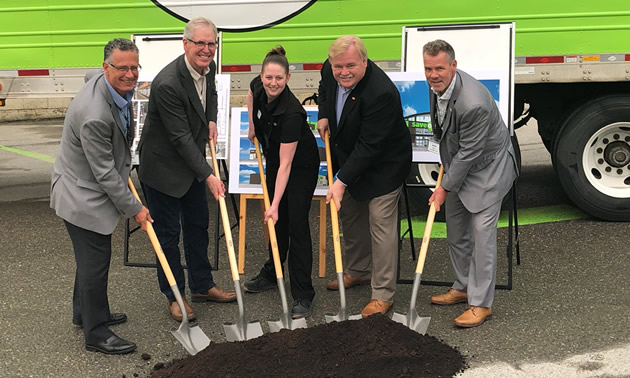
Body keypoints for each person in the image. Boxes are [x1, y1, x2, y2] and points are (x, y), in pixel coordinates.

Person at [50, 38, 153, 355]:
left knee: (89, 261)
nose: (130, 74)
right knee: (95, 262)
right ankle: (96, 333)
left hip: (83, 185)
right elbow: (105, 174)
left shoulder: (102, 82)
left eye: (134, 67)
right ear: (106, 67)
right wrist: (136, 209)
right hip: (81, 196)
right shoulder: (95, 115)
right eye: (122, 68)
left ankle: (86, 313)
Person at [138, 17, 236, 322]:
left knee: (198, 227)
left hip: (191, 162)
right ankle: (175, 296)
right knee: (168, 236)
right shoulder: (168, 83)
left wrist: (210, 120)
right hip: (164, 169)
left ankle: (202, 285)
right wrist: (208, 175)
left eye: (211, 44)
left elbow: (211, 94)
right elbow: (179, 138)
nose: (207, 50)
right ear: (185, 44)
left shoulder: (209, 66)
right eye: (200, 44)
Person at [423, 40, 519, 327]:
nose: (433, 74)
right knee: (455, 229)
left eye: (439, 68)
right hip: (460, 165)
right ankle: (463, 286)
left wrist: (442, 189)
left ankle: (481, 304)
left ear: (453, 65)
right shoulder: (437, 86)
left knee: (481, 236)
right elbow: (445, 131)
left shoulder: (473, 102)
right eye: (428, 68)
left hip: (488, 169)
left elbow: (470, 153)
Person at [316, 35, 412, 318]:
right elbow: (324, 89)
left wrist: (340, 181)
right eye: (338, 66)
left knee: (380, 225)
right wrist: (323, 114)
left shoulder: (381, 92)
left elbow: (370, 146)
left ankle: (383, 294)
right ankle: (357, 271)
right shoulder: (329, 68)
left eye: (350, 66)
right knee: (351, 214)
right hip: (350, 157)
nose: (343, 72)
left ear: (365, 61)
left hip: (384, 164)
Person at [242, 46, 320, 319]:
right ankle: (274, 271)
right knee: (279, 223)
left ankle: (303, 293)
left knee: (295, 222)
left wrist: (273, 204)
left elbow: (287, 165)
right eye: (268, 77)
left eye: (279, 78)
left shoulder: (292, 114)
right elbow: (252, 93)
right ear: (262, 75)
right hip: (276, 158)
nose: (272, 83)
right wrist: (253, 123)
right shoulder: (258, 86)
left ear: (288, 78)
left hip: (299, 167)